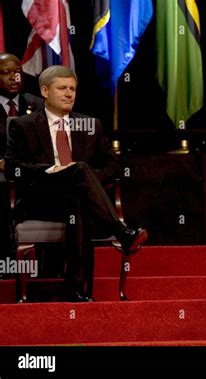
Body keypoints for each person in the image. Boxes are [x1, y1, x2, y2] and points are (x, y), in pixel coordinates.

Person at [5, 65, 148, 301]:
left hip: (79, 198)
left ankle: (77, 292)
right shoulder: (23, 125)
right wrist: (52, 170)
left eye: (72, 89)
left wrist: (84, 180)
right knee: (80, 171)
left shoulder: (90, 125)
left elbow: (113, 167)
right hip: (41, 198)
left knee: (79, 193)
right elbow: (13, 167)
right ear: (44, 91)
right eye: (62, 88)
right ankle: (120, 233)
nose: (69, 94)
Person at [0, 53, 43, 264]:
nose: (14, 78)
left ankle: (46, 265)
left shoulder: (38, 105)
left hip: (32, 175)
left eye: (17, 72)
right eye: (6, 73)